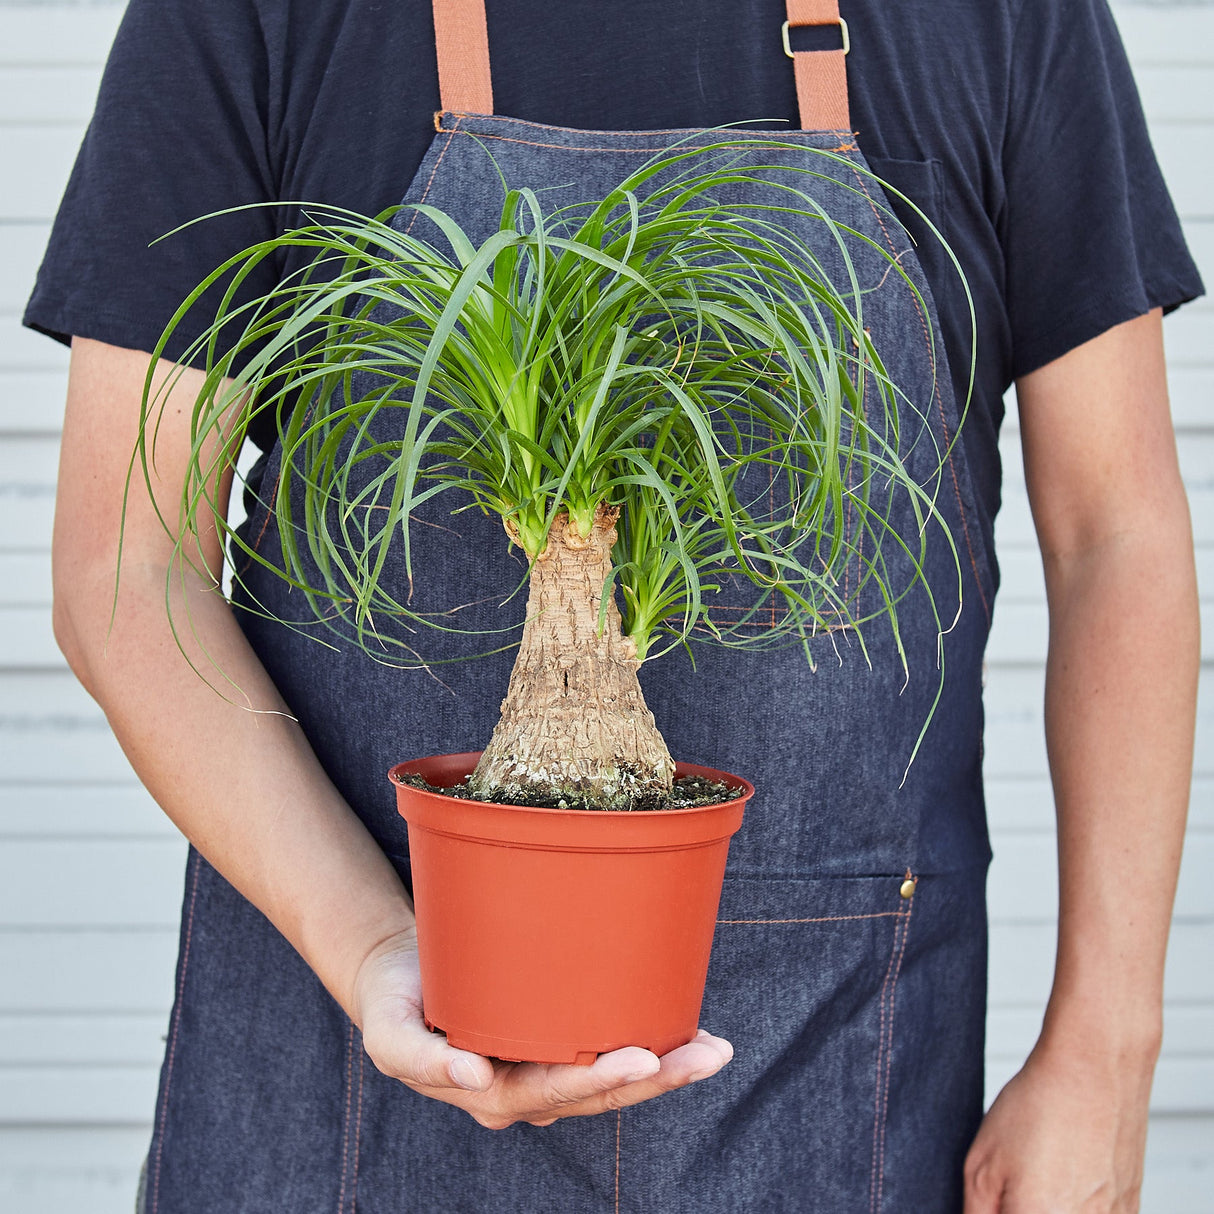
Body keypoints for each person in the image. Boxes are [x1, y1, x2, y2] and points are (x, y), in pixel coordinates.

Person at [25, 0, 1202, 1209]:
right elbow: (126, 567)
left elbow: (1114, 535)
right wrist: (375, 943)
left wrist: (1104, 1053)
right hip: (345, 1059)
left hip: (832, 1067)